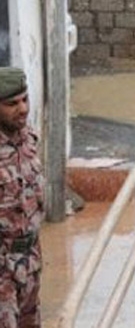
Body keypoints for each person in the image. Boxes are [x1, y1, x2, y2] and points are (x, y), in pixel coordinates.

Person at [0, 67, 43, 328]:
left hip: (30, 261)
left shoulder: (29, 139)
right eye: (12, 104)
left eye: (25, 100)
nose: (23, 109)